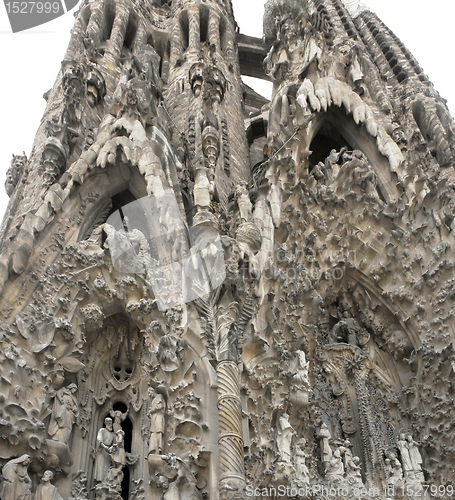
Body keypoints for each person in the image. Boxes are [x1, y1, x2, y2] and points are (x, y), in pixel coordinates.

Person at [148, 388, 166, 455]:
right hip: (154, 418)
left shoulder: (159, 396)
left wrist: (151, 410)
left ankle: (159, 448)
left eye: (149, 393)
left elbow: (160, 406)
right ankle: (153, 449)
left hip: (158, 417)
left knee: (158, 431)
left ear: (152, 391)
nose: (149, 395)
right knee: (153, 433)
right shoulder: (153, 401)